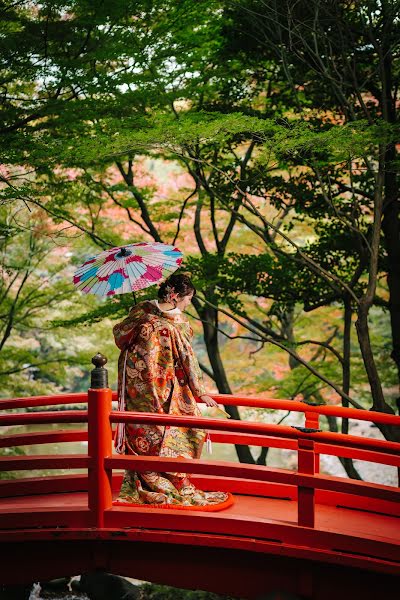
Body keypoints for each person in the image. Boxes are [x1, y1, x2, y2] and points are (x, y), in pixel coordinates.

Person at [112, 273, 233, 510]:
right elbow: (120, 335)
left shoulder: (175, 321)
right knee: (143, 432)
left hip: (166, 387)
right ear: (175, 296)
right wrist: (140, 320)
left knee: (165, 430)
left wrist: (198, 391)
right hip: (138, 386)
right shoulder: (143, 312)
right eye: (188, 299)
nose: (189, 304)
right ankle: (147, 485)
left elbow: (186, 358)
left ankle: (165, 483)